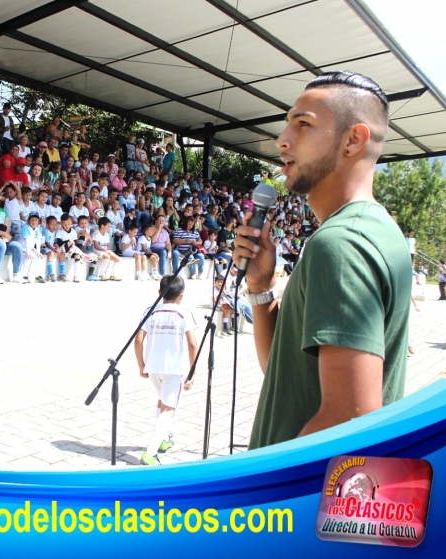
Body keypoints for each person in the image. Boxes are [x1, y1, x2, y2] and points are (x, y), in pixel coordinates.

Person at [232, 71, 412, 450]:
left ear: (353, 140)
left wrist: (259, 494)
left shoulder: (342, 244)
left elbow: (350, 419)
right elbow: (284, 373)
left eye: (303, 124)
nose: (283, 140)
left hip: (301, 504)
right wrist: (261, 288)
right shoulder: (378, 230)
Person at [134, 275, 197, 466]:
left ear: (160, 292)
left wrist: (141, 364)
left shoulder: (149, 311)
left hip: (153, 367)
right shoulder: (183, 313)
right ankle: (150, 453)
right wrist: (192, 372)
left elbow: (138, 340)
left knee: (162, 402)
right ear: (181, 296)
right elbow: (193, 344)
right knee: (169, 409)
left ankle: (163, 439)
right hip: (172, 369)